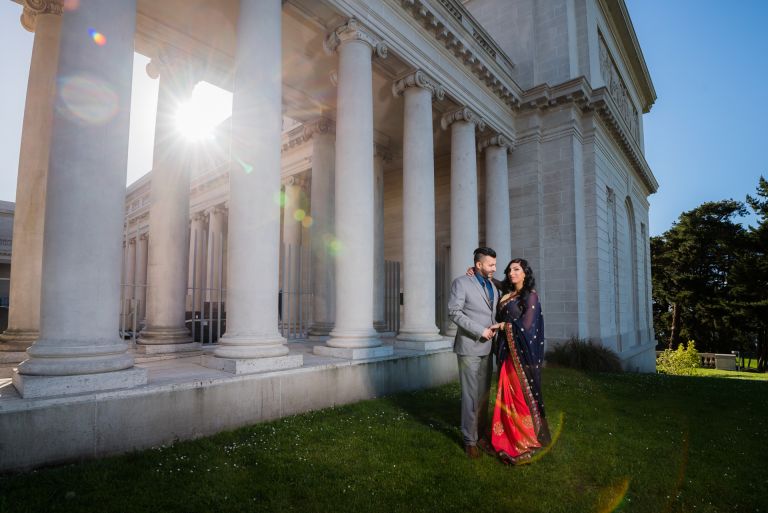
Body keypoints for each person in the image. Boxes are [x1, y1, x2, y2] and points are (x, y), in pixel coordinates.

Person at [489, 258, 551, 464]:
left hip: (522, 355)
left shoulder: (530, 296)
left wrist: (502, 326)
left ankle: (525, 440)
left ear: (526, 273)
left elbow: (527, 326)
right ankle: (505, 435)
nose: (512, 273)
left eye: (517, 269)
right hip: (507, 352)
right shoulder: (508, 294)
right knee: (505, 395)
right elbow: (499, 283)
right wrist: (480, 273)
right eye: (509, 270)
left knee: (519, 396)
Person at [448, 247, 499, 459]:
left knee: (483, 393)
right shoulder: (461, 283)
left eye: (495, 264)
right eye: (491, 264)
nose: (494, 268)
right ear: (478, 265)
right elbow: (454, 312)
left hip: (488, 348)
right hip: (469, 346)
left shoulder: (493, 285)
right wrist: (480, 330)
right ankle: (470, 440)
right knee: (470, 395)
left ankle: (480, 434)